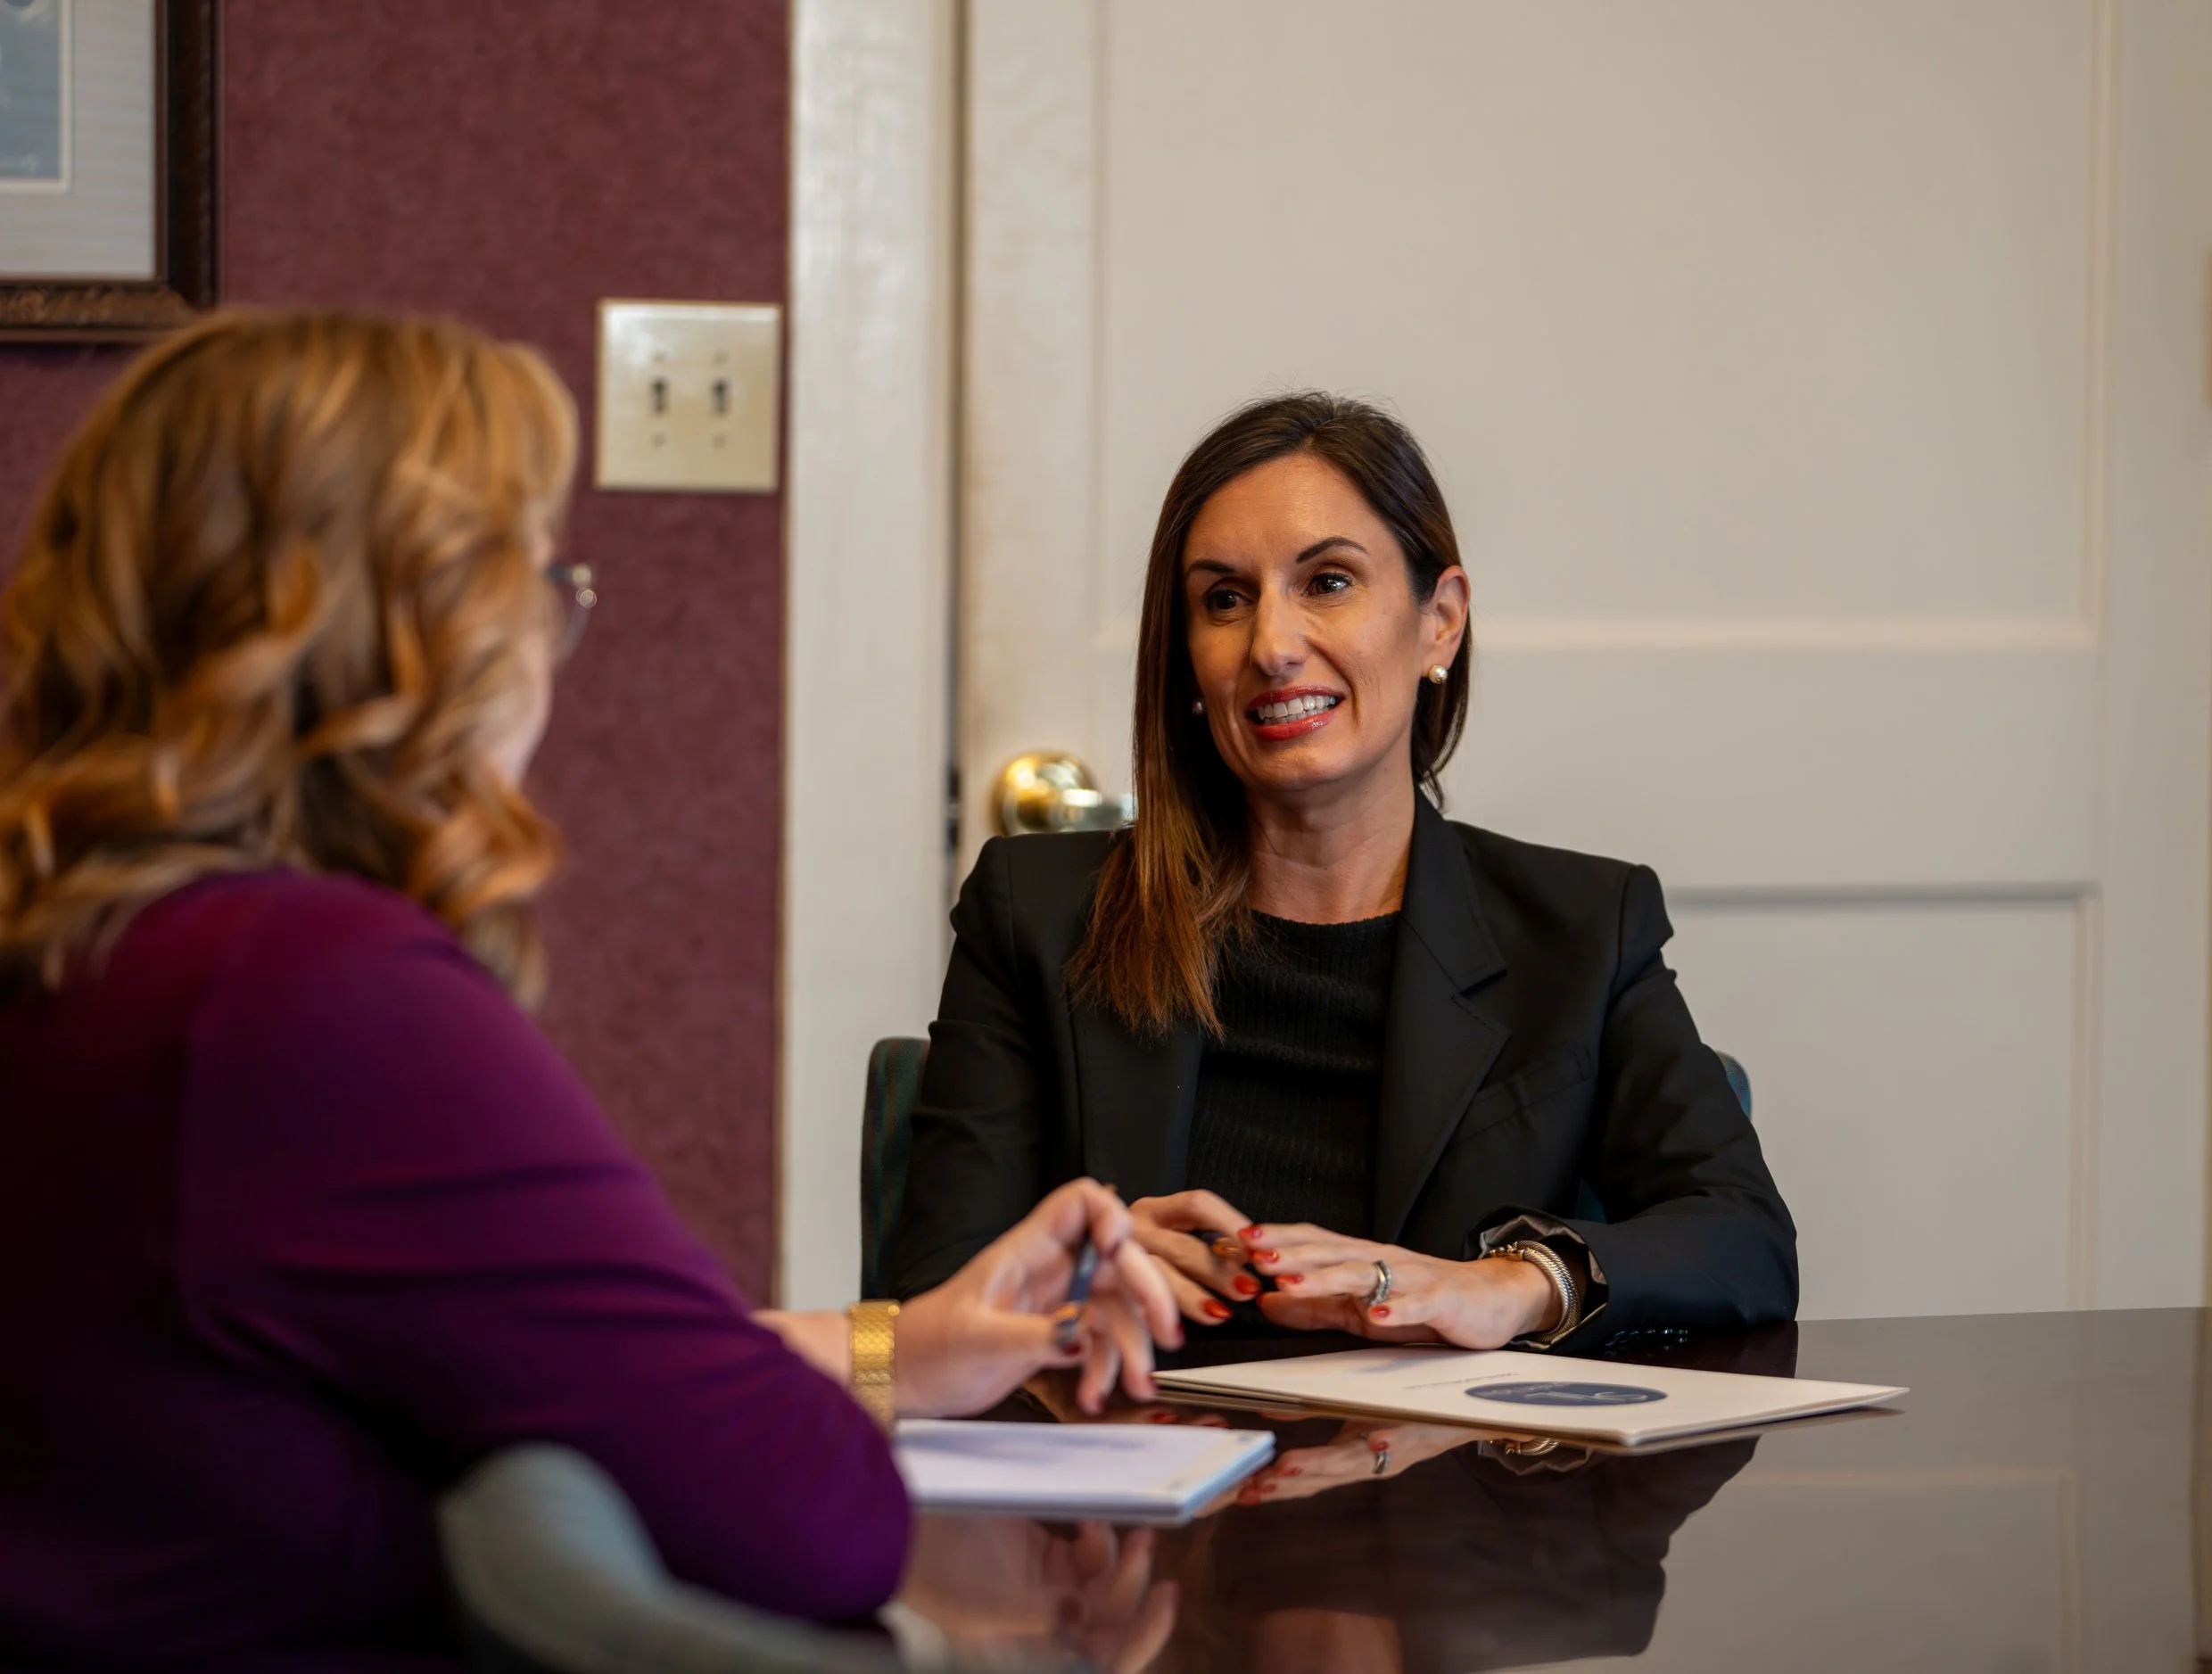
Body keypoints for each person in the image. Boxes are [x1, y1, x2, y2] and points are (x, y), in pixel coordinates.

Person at [0, 309, 1179, 1669]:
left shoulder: (93, 957)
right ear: (416, 635)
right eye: (534, 586)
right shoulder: (310, 1001)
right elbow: (811, 1517)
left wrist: (896, 1352)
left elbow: (554, 1352)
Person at [893, 392, 1797, 1352]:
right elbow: (919, 1303)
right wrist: (1070, 1283)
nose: (1271, 646)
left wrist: (1504, 1284)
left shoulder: (1580, 928)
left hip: (1448, 1487)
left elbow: (1741, 1240)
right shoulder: (1036, 914)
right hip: (1131, 1482)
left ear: (1439, 621)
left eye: (1326, 581)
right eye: (1223, 598)